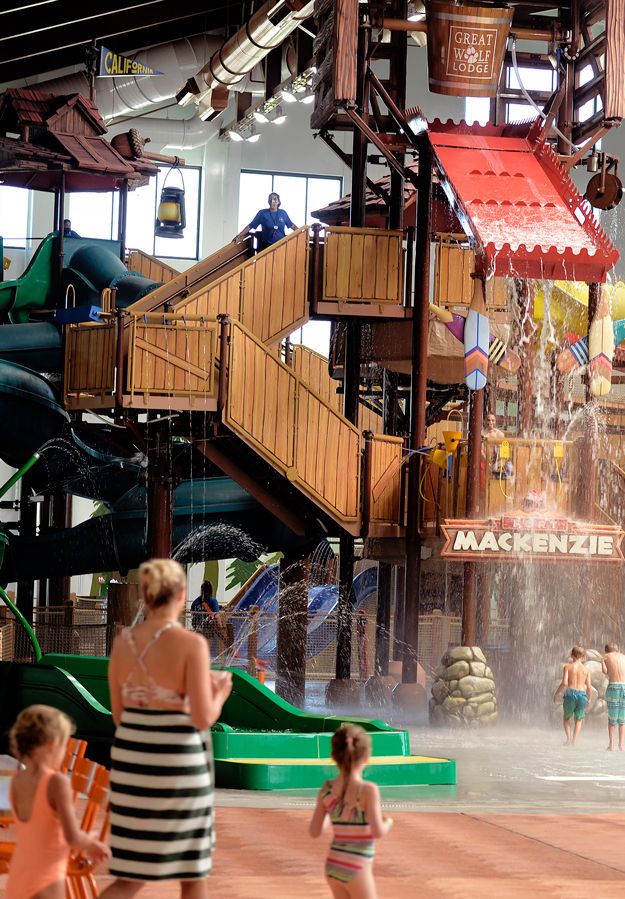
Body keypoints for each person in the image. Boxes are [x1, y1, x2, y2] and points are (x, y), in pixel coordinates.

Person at [102, 558, 233, 897]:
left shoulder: (122, 643)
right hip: (178, 765)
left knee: (130, 876)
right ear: (180, 595)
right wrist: (219, 694)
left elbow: (119, 716)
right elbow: (203, 718)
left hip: (132, 764)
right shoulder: (192, 645)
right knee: (191, 877)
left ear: (146, 595)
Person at [6, 704, 110, 899]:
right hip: (46, 878)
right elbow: (73, 837)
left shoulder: (17, 779)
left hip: (19, 875)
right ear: (53, 745)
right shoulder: (56, 782)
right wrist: (93, 842)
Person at [309, 724, 392, 898]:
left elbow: (315, 831)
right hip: (356, 866)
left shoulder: (327, 789)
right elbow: (377, 831)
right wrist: (388, 823)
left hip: (333, 865)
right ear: (366, 757)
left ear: (333, 756)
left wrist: (331, 812)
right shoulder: (368, 790)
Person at [553, 646, 592, 745]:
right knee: (579, 720)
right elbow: (589, 687)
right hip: (582, 694)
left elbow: (564, 683)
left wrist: (556, 694)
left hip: (570, 693)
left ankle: (568, 739)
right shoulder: (586, 670)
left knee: (566, 718)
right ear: (583, 657)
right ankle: (574, 741)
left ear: (571, 655)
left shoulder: (567, 667)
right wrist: (589, 699)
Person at [233, 192, 298, 250]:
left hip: (281, 245)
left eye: (275, 199)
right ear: (268, 202)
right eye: (270, 199)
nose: (272, 200)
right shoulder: (262, 213)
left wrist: (303, 233)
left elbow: (292, 226)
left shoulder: (283, 213)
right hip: (266, 246)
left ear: (278, 201)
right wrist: (238, 236)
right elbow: (250, 226)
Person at [191, 580, 224, 655]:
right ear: (211, 590)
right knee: (206, 649)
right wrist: (221, 628)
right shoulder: (212, 600)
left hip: (197, 627)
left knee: (198, 648)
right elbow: (216, 616)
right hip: (208, 628)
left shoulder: (196, 601)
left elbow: (193, 613)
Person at [602, 642, 625, 750]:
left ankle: (611, 745)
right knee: (622, 719)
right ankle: (621, 745)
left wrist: (602, 661)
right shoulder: (623, 656)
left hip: (614, 687)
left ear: (606, 651)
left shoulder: (606, 656)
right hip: (624, 686)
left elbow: (605, 671)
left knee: (612, 719)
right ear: (617, 650)